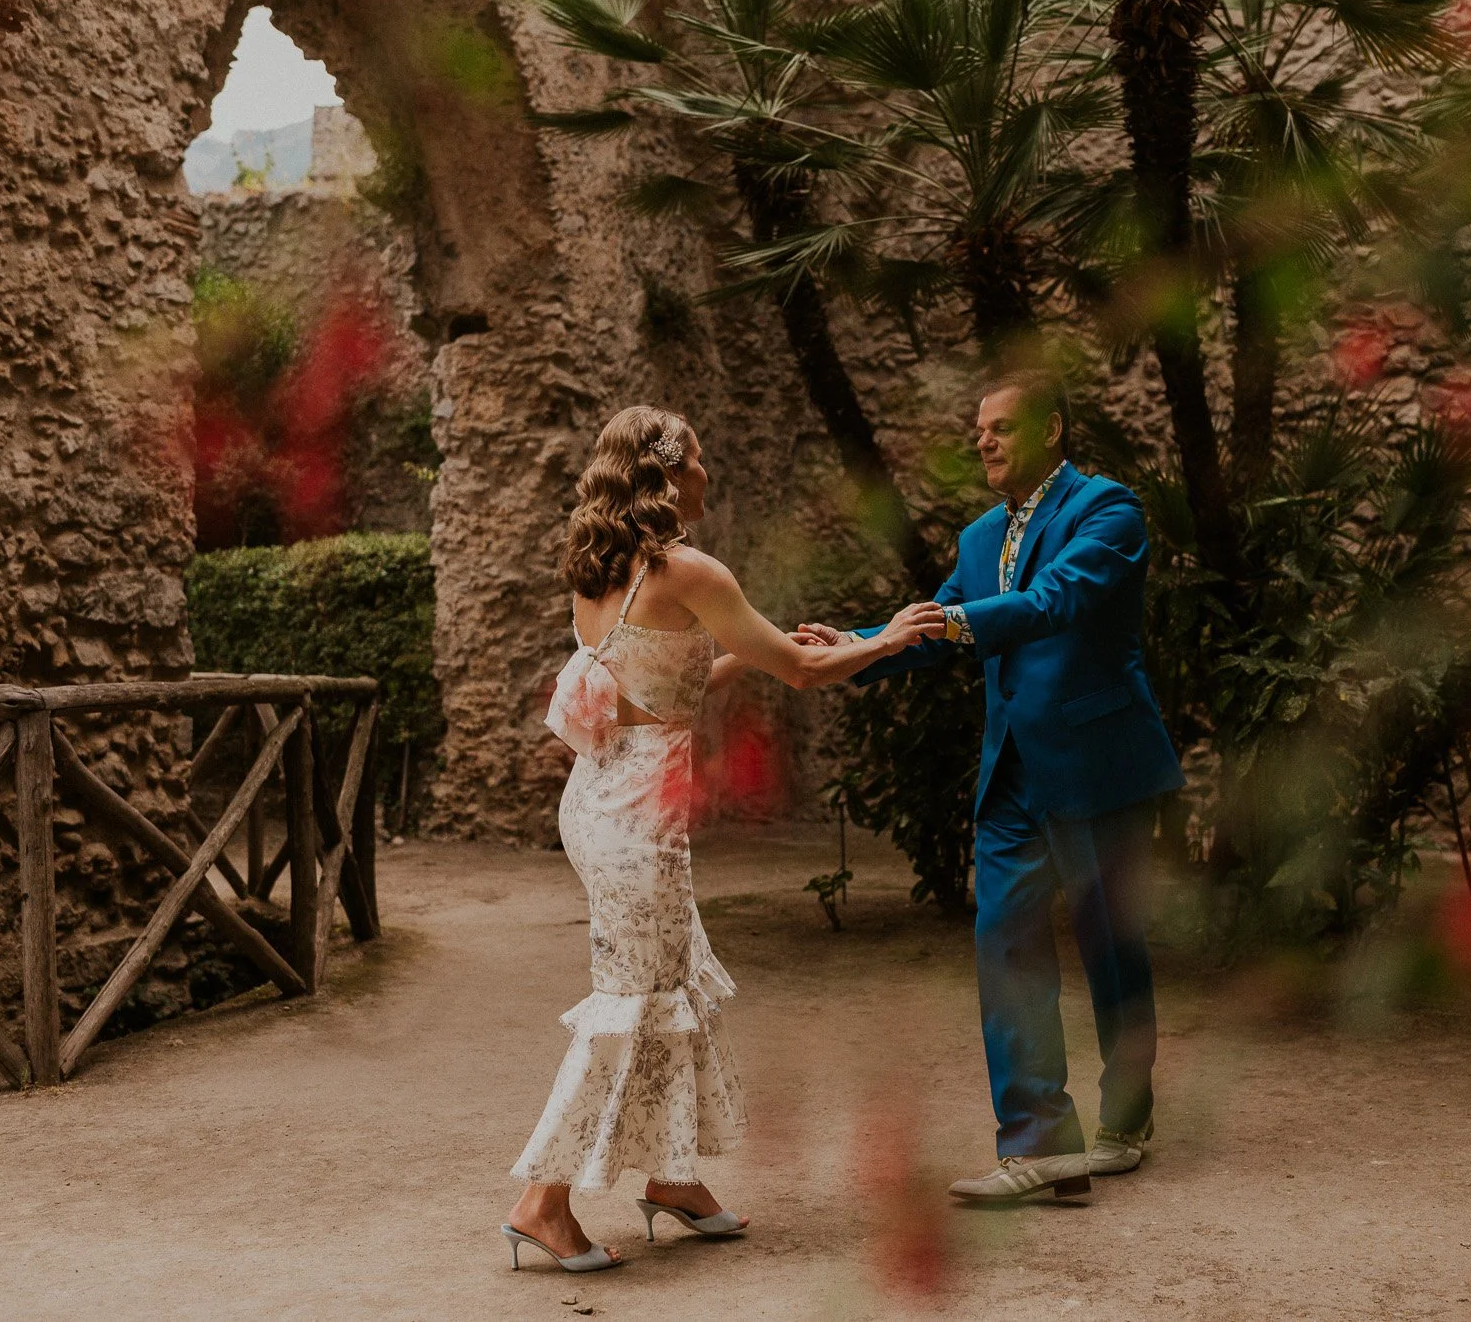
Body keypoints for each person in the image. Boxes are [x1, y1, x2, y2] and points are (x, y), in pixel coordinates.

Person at [503, 404, 946, 1273]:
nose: (710, 473)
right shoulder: (689, 568)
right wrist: (886, 637)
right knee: (629, 1008)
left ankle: (672, 1178)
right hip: (638, 821)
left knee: (671, 986)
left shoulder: (603, 569)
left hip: (600, 801)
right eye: (700, 460)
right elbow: (806, 670)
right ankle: (542, 1202)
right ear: (668, 475)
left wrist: (755, 651)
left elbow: (660, 679)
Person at [794, 373, 1185, 1203]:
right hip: (1011, 775)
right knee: (1004, 945)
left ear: (1051, 429)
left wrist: (956, 622)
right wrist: (856, 644)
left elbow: (1052, 601)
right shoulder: (979, 537)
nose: (983, 441)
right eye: (978, 430)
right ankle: (1040, 1142)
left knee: (1112, 948)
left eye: (1001, 427)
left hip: (1098, 768)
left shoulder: (1108, 511)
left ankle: (1127, 1117)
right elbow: (931, 627)